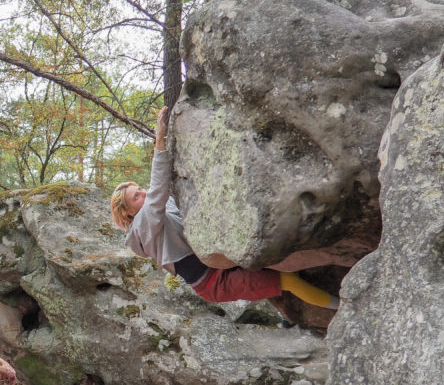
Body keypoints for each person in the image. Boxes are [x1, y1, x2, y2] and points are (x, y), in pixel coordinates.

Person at [110, 106, 340, 309]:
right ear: (129, 212)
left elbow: (167, 189)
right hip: (214, 282)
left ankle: (297, 317)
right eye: (136, 196)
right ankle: (345, 307)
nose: (144, 192)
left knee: (283, 263)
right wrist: (160, 141)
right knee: (288, 280)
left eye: (140, 189)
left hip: (218, 263)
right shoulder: (143, 226)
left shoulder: (154, 213)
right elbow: (159, 189)